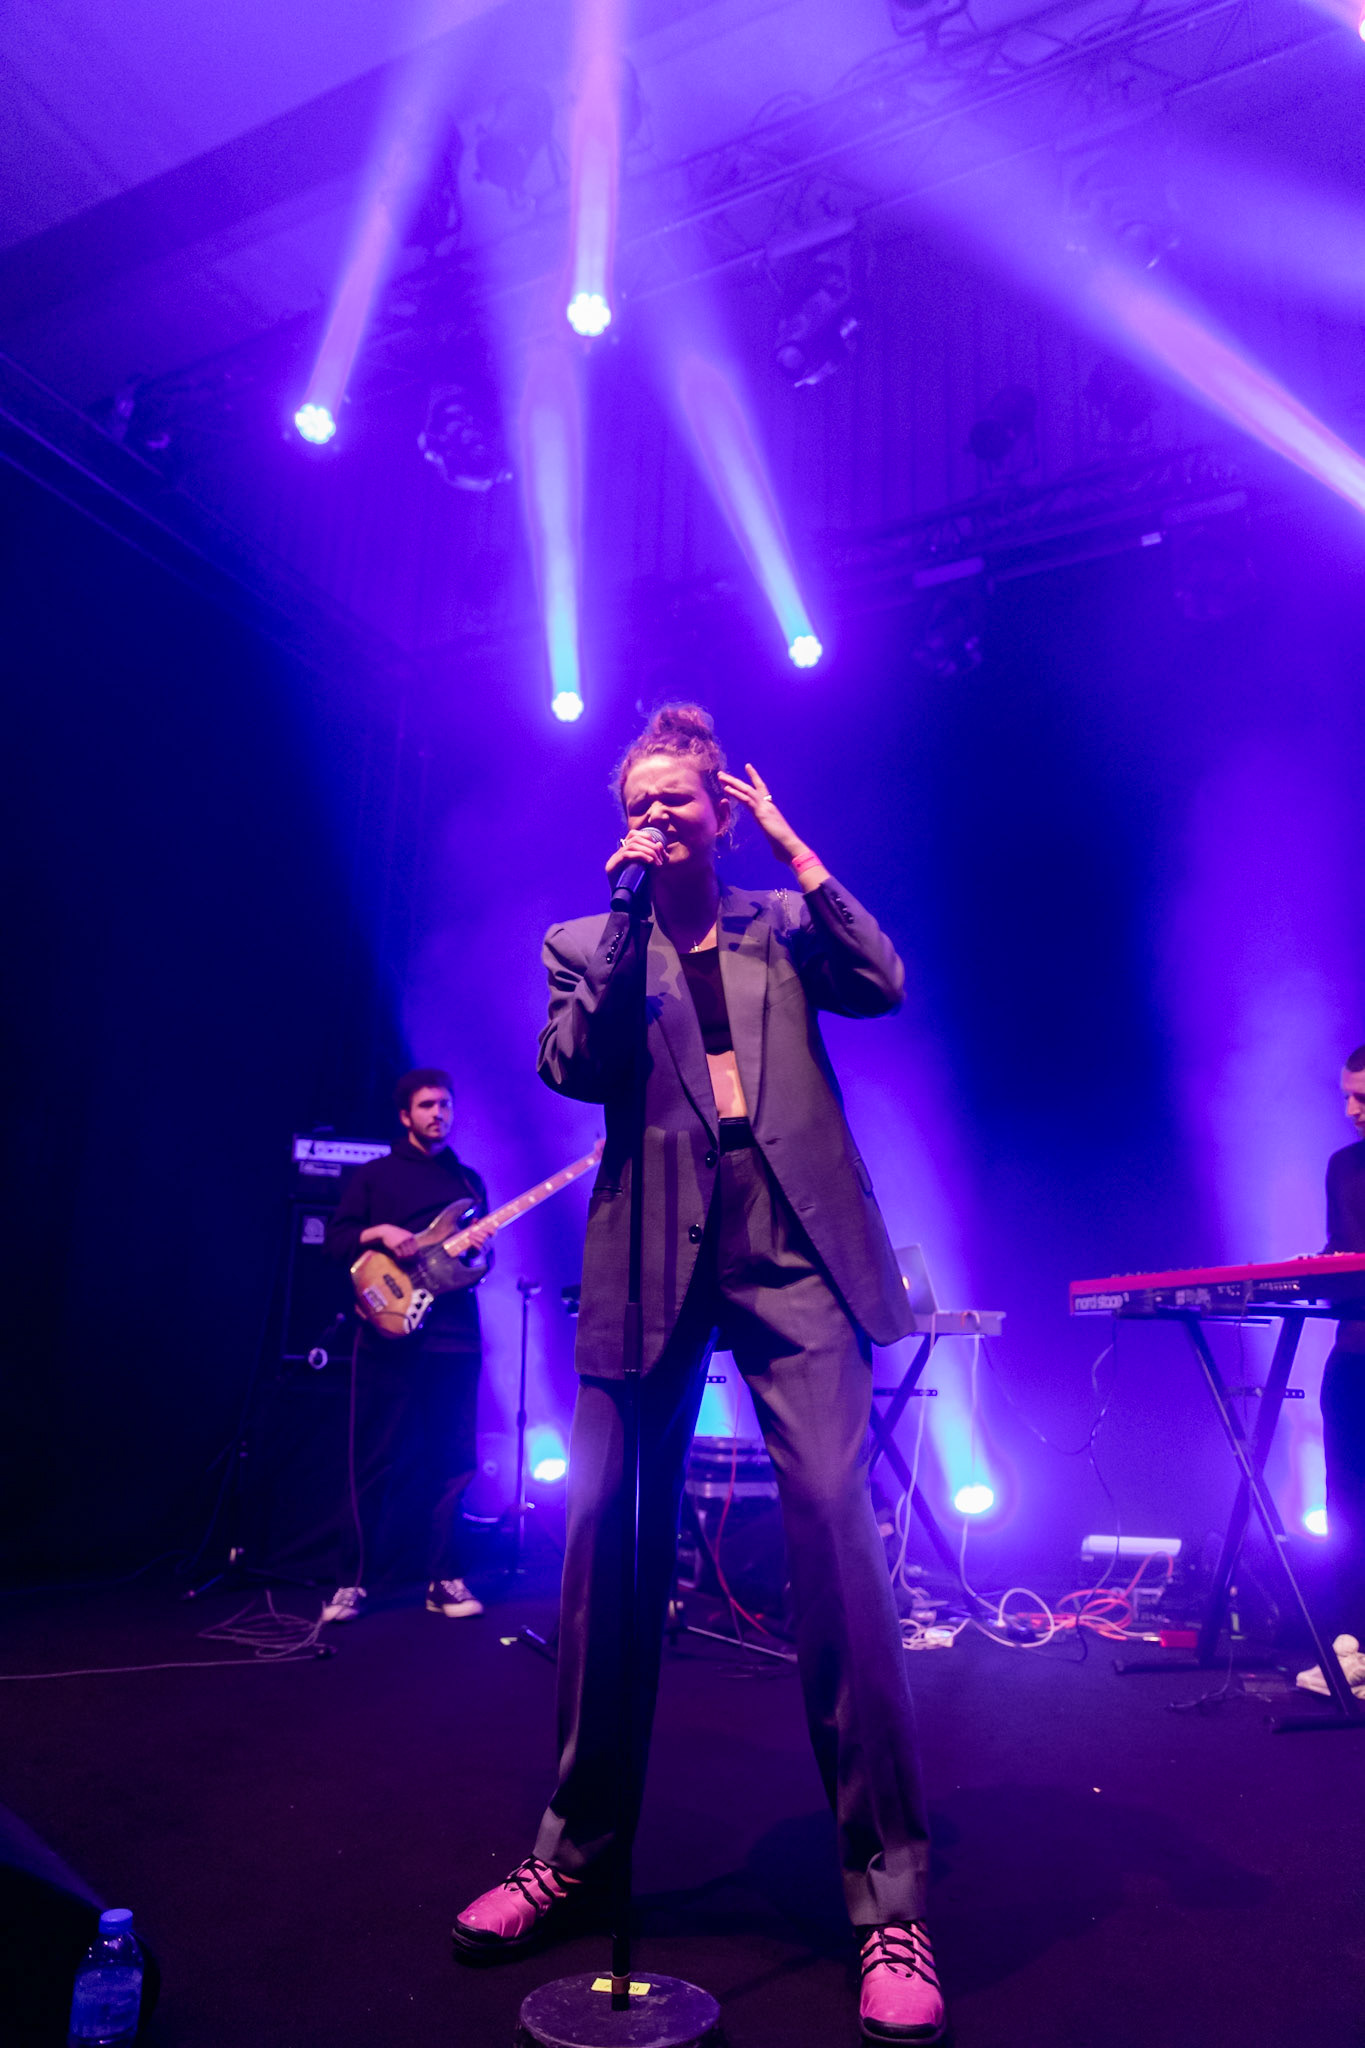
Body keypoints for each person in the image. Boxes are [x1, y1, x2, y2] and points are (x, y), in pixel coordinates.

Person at [452, 706, 943, 2044]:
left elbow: (884, 980)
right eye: (645, 799)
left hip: (792, 1249)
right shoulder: (582, 943)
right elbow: (574, 1068)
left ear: (722, 813)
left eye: (688, 798)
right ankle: (572, 1851)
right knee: (605, 1548)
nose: (664, 813)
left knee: (838, 1533)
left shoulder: (782, 925)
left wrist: (800, 847)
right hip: (646, 1259)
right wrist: (622, 922)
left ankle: (888, 1897)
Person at [322, 1068, 496, 1624]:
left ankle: (443, 1579)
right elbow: (336, 1240)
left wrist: (477, 1254)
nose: (437, 1114)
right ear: (406, 1115)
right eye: (426, 1105)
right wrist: (380, 1233)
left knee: (452, 1462)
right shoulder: (376, 1177)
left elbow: (474, 1269)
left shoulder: (468, 1182)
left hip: (454, 1338)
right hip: (387, 1338)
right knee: (372, 1460)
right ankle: (349, 1583)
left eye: (444, 1104)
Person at [1319, 1045, 1365, 1638]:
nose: (1354, 1110)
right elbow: (1340, 1249)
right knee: (1347, 1501)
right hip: (1354, 1352)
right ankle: (1351, 1639)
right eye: (1349, 1098)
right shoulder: (1344, 1166)